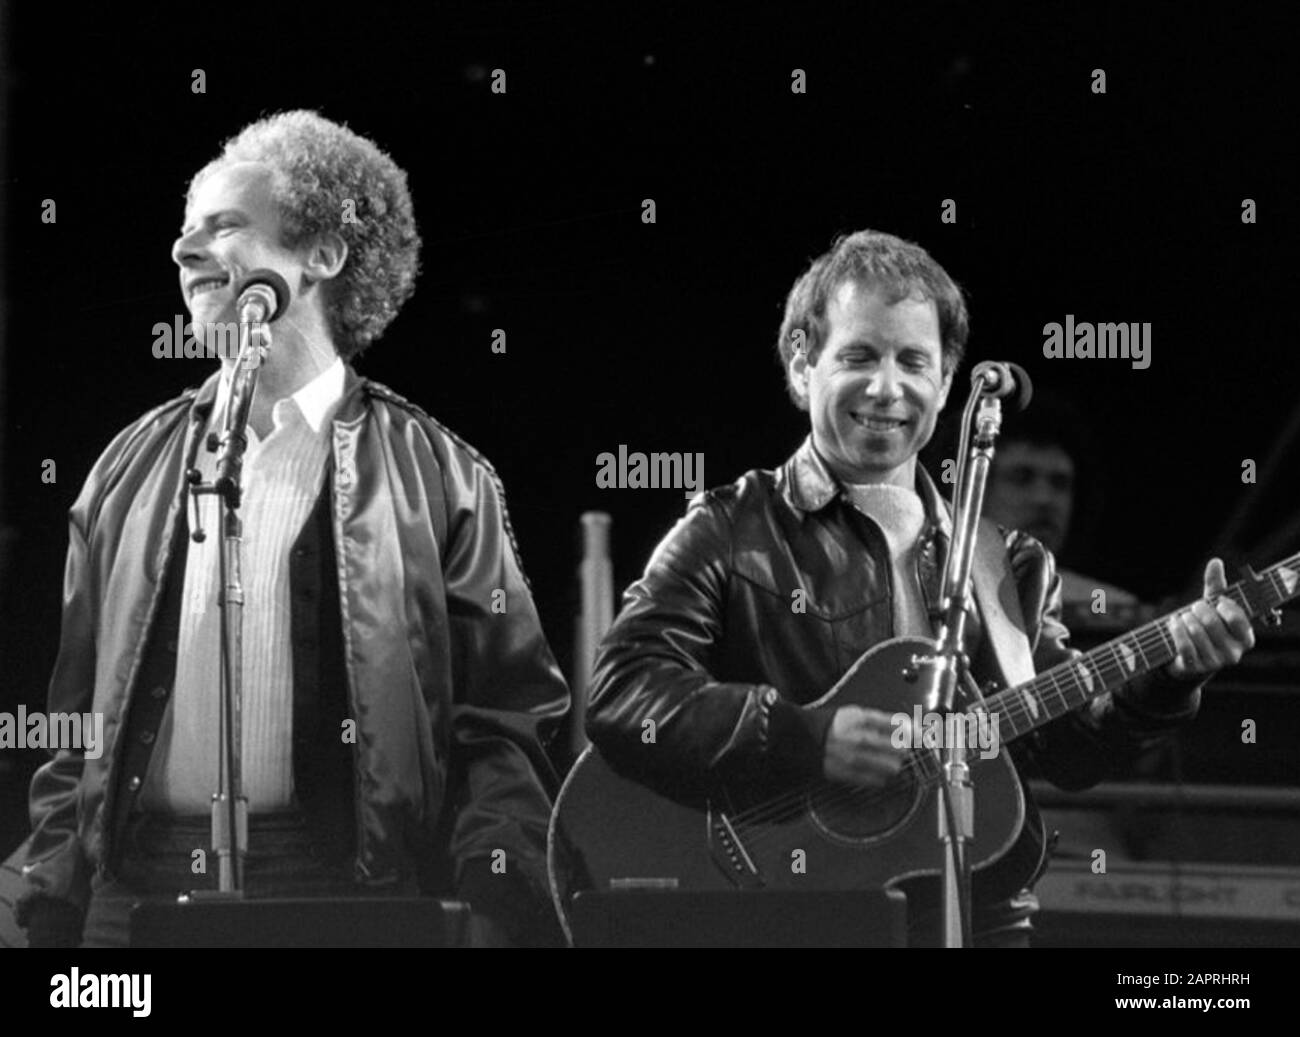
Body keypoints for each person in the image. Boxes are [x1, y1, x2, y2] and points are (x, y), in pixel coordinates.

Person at [584, 229, 1255, 947]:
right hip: (785, 914)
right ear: (803, 364)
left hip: (979, 912)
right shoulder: (729, 527)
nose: (887, 387)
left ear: (946, 380)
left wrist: (1171, 677)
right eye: (859, 355)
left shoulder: (1012, 563)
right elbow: (623, 690)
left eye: (913, 361)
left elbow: (1069, 748)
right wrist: (802, 736)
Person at [17, 111, 568, 948]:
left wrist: (494, 897)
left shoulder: (446, 479)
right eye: (182, 232)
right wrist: (48, 894)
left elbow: (505, 724)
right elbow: (73, 725)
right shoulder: (124, 471)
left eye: (223, 226)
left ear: (323, 254)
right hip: (130, 894)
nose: (182, 252)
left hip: (349, 891)